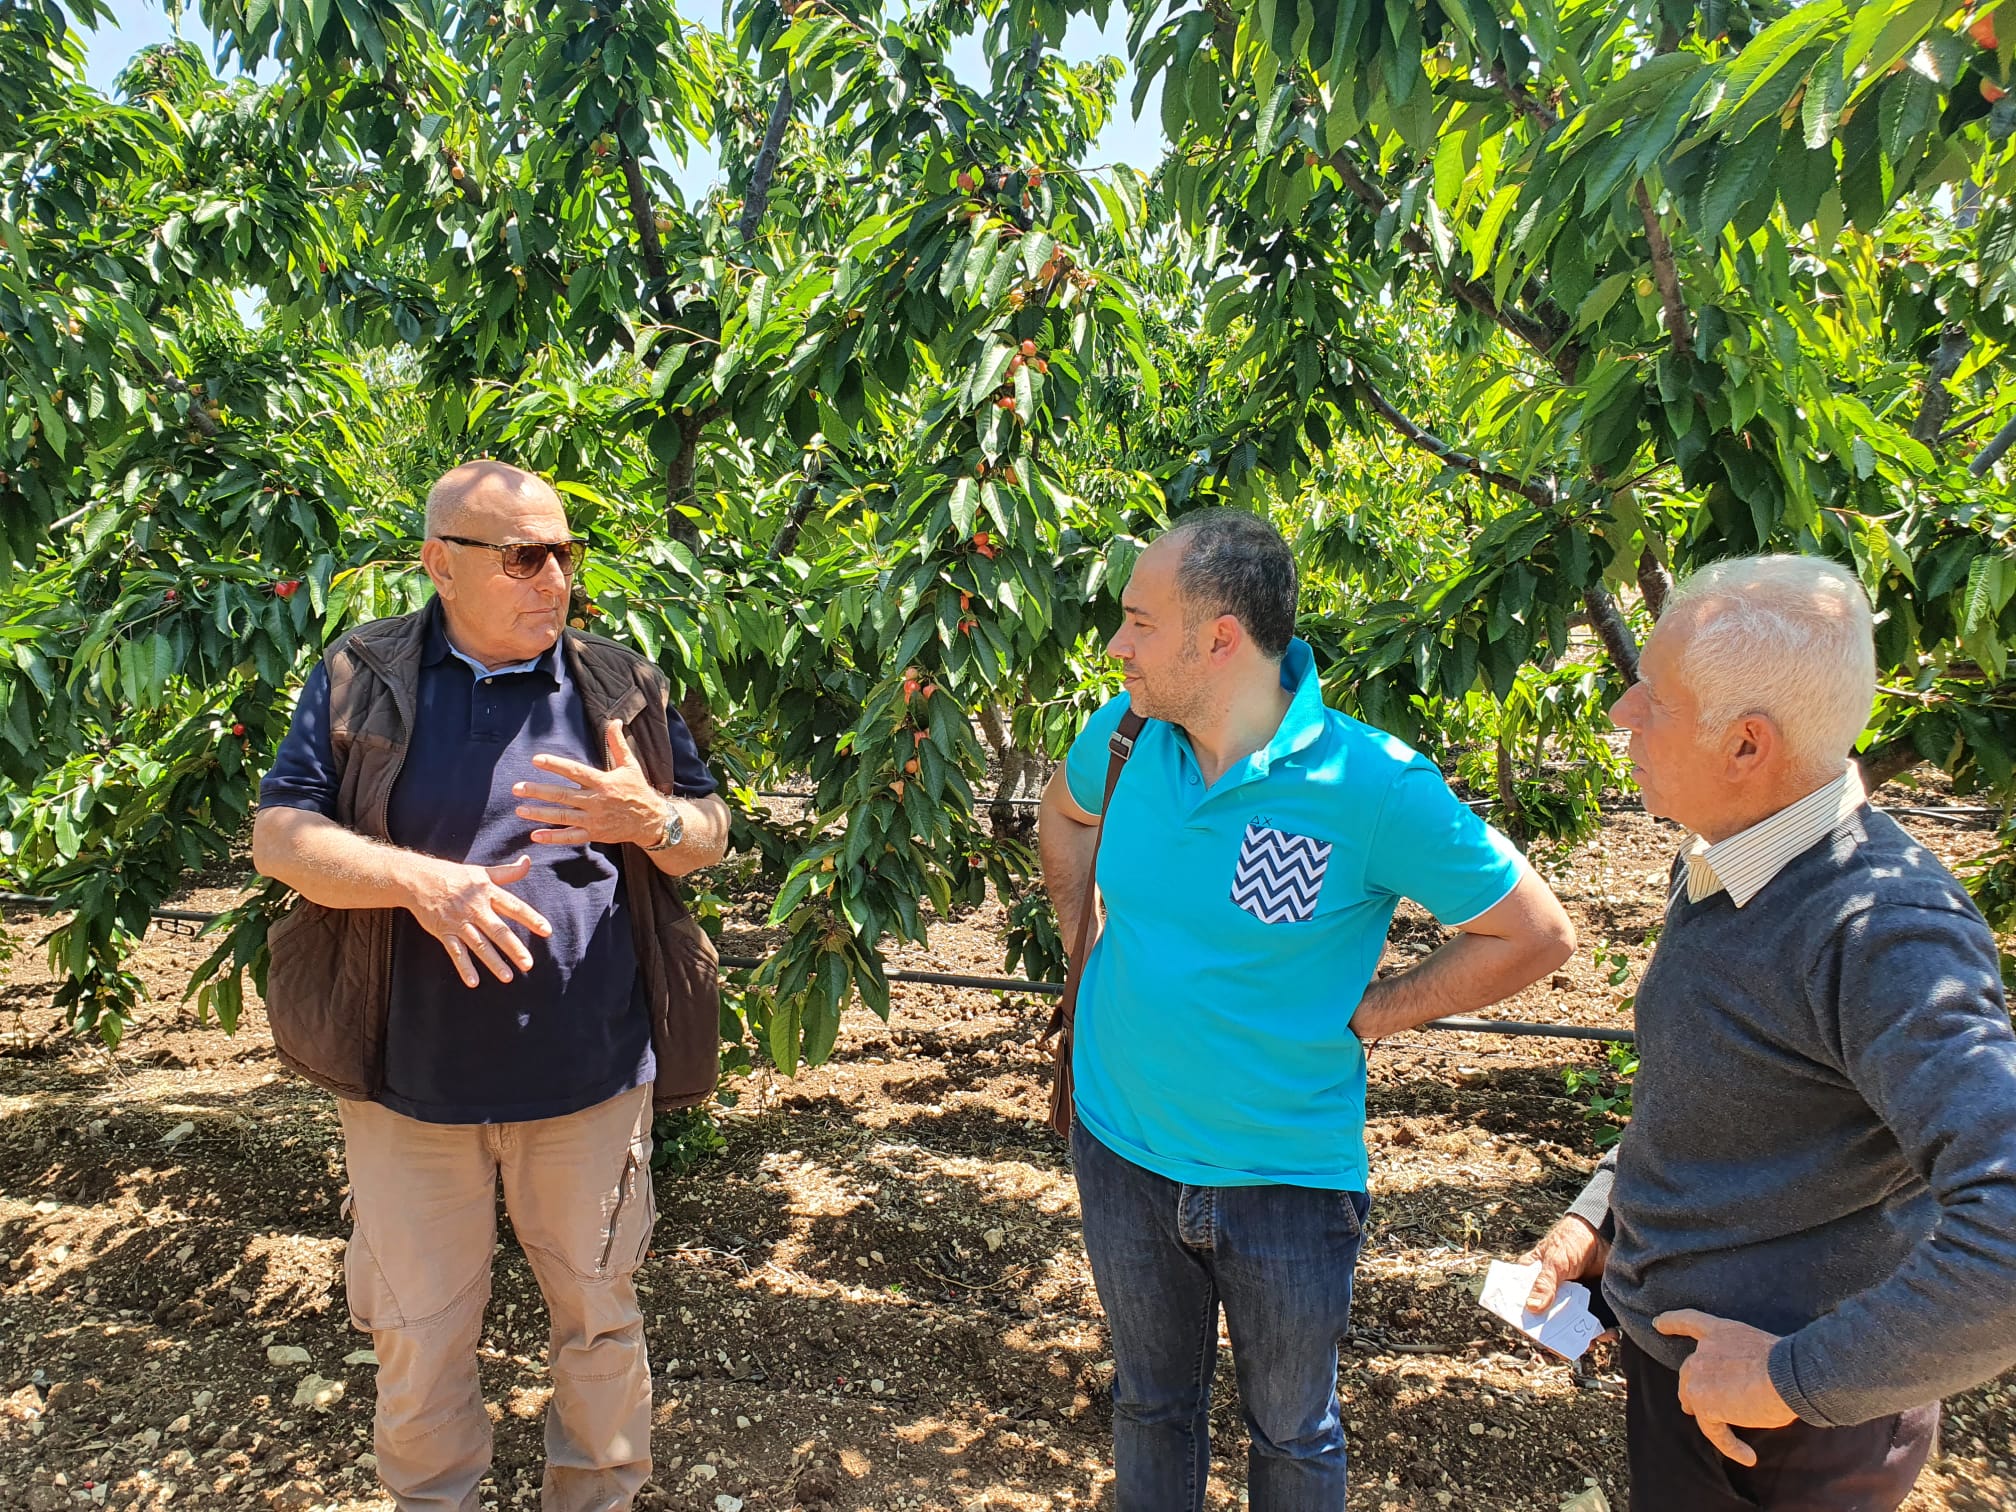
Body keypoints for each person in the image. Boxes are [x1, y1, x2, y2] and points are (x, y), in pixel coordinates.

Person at [1037, 509, 1576, 1511]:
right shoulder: (1122, 740)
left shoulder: (1366, 784)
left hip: (1282, 1181)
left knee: (1291, 1433)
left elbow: (1537, 933)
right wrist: (1090, 933)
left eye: (1138, 622)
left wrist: (1376, 1015)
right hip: (1120, 1151)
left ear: (1221, 638)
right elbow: (1061, 820)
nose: (1116, 645)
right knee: (1151, 1401)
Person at [252, 460, 731, 1512]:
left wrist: (649, 820)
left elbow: (709, 832)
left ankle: (595, 1499)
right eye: (522, 556)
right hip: (409, 1086)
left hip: (591, 1080)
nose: (552, 577)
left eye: (565, 553)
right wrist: (420, 883)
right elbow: (280, 835)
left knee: (600, 1317)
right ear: (441, 564)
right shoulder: (358, 677)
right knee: (419, 1337)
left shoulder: (620, 684)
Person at [1520, 555, 2016, 1512]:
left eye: (1655, 699)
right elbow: (1706, 1090)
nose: (1622, 711)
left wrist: (1796, 1376)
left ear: (1747, 745)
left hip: (1792, 1440)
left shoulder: (1883, 933)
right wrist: (1599, 1212)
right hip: (1696, 1382)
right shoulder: (1723, 863)